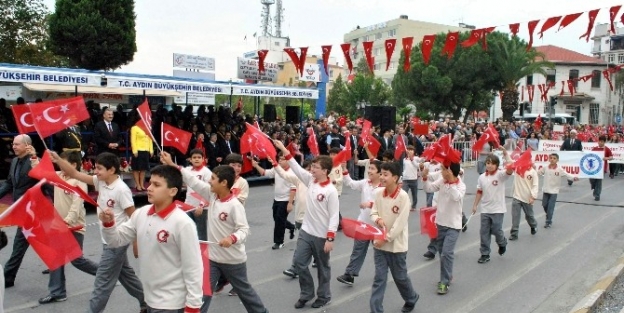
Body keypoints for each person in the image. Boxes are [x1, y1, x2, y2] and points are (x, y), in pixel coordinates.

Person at [161, 152, 268, 313]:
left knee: (246, 293)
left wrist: (232, 238)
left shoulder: (234, 205)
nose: (209, 181)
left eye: (213, 179)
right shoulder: (212, 195)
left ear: (223, 183)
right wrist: (172, 164)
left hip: (233, 261)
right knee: (203, 292)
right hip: (213, 259)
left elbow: (244, 230)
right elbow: (191, 180)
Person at [50, 151, 146, 313]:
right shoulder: (100, 181)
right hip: (107, 238)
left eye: (99, 168)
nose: (96, 171)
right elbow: (74, 173)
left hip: (117, 242)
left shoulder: (121, 190)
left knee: (102, 282)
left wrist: (136, 241)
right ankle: (147, 302)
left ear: (112, 170)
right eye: (95, 167)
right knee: (126, 275)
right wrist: (58, 160)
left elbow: (133, 217)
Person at [99, 165, 203, 312]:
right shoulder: (141, 214)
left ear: (172, 191)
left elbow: (193, 267)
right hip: (150, 300)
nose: (149, 188)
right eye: (150, 182)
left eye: (157, 185)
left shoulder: (182, 223)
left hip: (172, 304)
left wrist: (193, 306)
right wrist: (108, 224)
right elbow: (115, 240)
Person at [274, 139, 339, 309]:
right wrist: (282, 148)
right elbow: (295, 166)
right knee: (300, 263)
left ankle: (324, 295)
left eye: (316, 168)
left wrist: (330, 238)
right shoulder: (310, 180)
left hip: (322, 236)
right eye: (312, 167)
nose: (312, 169)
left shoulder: (330, 191)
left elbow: (334, 217)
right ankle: (307, 293)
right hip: (306, 232)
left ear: (325, 170)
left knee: (323, 268)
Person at [38, 151, 99, 305]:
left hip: (73, 227)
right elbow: (40, 170)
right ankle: (57, 292)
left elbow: (77, 205)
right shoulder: (58, 176)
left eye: (62, 163)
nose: (59, 166)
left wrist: (67, 221)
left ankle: (106, 274)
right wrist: (33, 156)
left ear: (73, 165)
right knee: (55, 258)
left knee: (77, 260)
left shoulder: (79, 182)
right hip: (59, 226)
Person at [370, 162, 420, 313]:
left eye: (386, 174)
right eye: (381, 174)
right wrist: (377, 219)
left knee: (400, 277)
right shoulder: (378, 193)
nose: (382, 177)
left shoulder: (403, 197)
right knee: (379, 279)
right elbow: (373, 212)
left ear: (395, 178)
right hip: (379, 245)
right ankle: (376, 310)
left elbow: (399, 224)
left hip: (396, 246)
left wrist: (386, 238)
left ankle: (411, 297)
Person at [0, 134, 40, 288]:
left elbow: (45, 183)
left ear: (27, 146)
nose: (13, 147)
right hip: (20, 208)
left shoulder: (34, 162)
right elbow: (9, 184)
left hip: (32, 211)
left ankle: (8, 277)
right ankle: (58, 264)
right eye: (13, 144)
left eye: (17, 144)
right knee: (46, 240)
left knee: (19, 243)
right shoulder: (15, 161)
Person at [336, 160, 383, 286]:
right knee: (358, 250)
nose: (369, 171)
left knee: (381, 254)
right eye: (369, 168)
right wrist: (345, 170)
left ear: (380, 173)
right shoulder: (365, 183)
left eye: (372, 169)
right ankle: (349, 274)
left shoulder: (384, 188)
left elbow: (386, 205)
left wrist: (370, 204)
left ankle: (382, 275)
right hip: (363, 224)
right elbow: (350, 183)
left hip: (378, 227)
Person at [422, 161, 465, 295]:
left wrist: (451, 181)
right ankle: (448, 275)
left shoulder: (461, 186)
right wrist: (424, 178)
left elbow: (456, 197)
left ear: (450, 171)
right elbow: (428, 188)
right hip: (441, 223)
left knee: (446, 253)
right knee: (442, 254)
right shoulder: (441, 181)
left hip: (453, 225)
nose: (441, 172)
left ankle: (444, 282)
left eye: (443, 169)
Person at [471, 152, 512, 264]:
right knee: (484, 232)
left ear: (497, 165)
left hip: (498, 209)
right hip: (485, 209)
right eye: (488, 163)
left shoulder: (500, 175)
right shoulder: (482, 177)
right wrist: (475, 205)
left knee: (496, 230)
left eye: (492, 164)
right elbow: (479, 191)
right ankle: (485, 253)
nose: (489, 165)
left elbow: (510, 169)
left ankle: (502, 242)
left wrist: (506, 154)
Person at [251, 153, 296, 250]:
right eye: (279, 159)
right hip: (277, 199)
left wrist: (290, 203)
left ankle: (279, 242)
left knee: (279, 221)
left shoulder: (292, 172)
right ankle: (292, 226)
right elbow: (265, 173)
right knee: (277, 218)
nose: (280, 161)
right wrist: (256, 166)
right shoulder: (277, 168)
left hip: (286, 200)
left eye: (283, 159)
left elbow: (293, 188)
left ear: (288, 160)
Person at [279, 160, 312, 279]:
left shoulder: (319, 184)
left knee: (304, 245)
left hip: (314, 221)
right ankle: (298, 266)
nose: (310, 172)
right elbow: (284, 174)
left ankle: (295, 267)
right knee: (304, 245)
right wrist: (274, 164)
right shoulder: (299, 180)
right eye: (307, 169)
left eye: (313, 169)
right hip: (300, 218)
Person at [184, 149, 212, 241]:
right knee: (188, 232)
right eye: (194, 157)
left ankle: (203, 253)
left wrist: (201, 205)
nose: (196, 159)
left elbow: (209, 190)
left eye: (199, 157)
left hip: (201, 208)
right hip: (188, 205)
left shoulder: (206, 172)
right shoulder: (187, 170)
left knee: (201, 234)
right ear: (190, 160)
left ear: (203, 159)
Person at [509, 162, 539, 241]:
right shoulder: (517, 168)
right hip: (517, 196)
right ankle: (514, 233)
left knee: (529, 216)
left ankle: (533, 225)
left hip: (527, 198)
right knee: (515, 216)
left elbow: (535, 185)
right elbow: (510, 161)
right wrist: (505, 153)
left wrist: (533, 196)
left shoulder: (533, 172)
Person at [130, 118, 154, 191]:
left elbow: (150, 139)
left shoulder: (147, 128)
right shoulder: (134, 128)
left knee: (143, 168)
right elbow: (133, 140)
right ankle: (137, 185)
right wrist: (134, 150)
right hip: (138, 150)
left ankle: (142, 184)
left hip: (145, 150)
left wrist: (151, 149)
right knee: (136, 168)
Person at [590, 136, 613, 201]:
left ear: (604, 142)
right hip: (593, 168)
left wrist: (606, 158)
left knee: (599, 182)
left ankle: (597, 195)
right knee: (592, 180)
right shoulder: (594, 149)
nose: (600, 142)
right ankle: (594, 187)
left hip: (602, 169)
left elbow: (611, 157)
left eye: (602, 141)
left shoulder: (606, 149)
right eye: (599, 141)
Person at [401, 146, 421, 211]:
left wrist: (412, 159)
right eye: (408, 150)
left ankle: (414, 206)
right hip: (406, 179)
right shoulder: (404, 159)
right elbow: (403, 168)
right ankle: (405, 205)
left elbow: (418, 166)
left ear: (414, 151)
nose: (409, 151)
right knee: (404, 193)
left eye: (411, 150)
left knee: (414, 194)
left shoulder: (416, 158)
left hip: (414, 179)